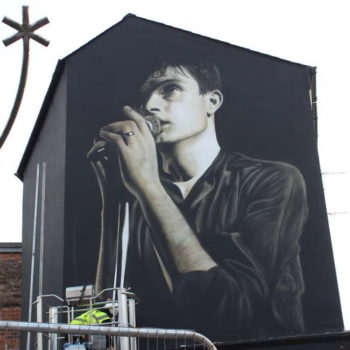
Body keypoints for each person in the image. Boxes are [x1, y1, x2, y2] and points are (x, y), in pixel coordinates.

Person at [88, 60, 308, 341]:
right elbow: (108, 312)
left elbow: (227, 314)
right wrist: (114, 203)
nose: (151, 105)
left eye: (170, 89)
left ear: (212, 101)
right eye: (145, 97)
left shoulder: (273, 180)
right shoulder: (140, 194)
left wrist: (148, 186)